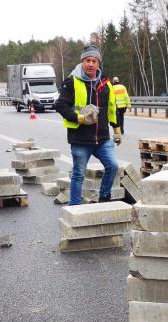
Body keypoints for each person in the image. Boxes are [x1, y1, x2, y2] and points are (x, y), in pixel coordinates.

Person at [54, 44, 121, 205]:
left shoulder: (105, 84)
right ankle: (75, 207)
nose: (91, 64)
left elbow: (112, 108)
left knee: (112, 166)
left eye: (94, 61)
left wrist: (117, 129)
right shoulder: (72, 82)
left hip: (103, 139)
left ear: (98, 63)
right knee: (79, 174)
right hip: (80, 139)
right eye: (87, 60)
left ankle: (104, 198)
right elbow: (60, 105)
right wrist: (79, 118)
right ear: (82, 62)